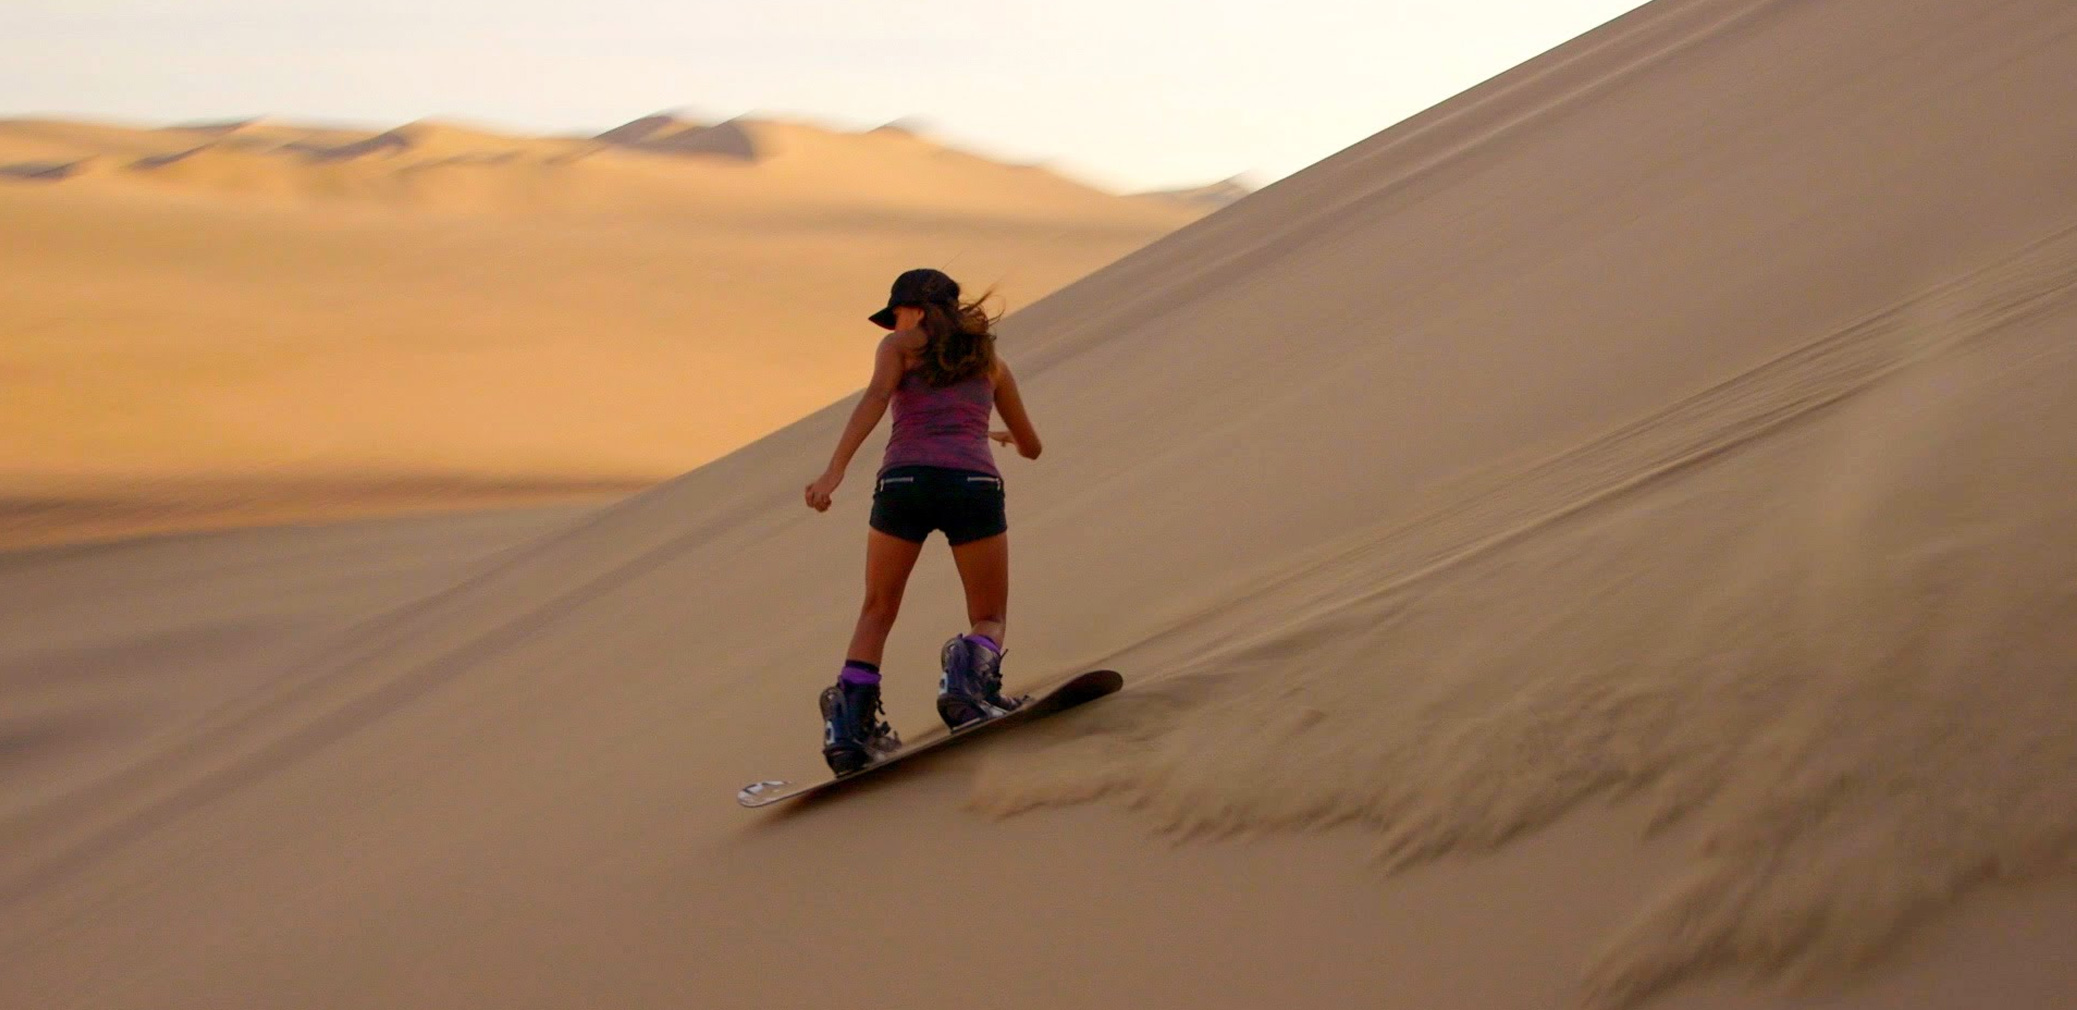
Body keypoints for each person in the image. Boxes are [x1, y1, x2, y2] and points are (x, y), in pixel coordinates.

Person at [803, 268, 1045, 775]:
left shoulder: (899, 349)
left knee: (877, 609)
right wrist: (999, 436)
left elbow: (874, 398)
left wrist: (834, 471)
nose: (893, 326)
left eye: (895, 315)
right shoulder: (991, 363)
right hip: (972, 488)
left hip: (904, 485)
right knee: (988, 615)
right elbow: (1033, 447)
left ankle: (850, 730)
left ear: (913, 309)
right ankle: (966, 684)